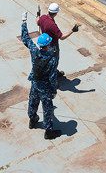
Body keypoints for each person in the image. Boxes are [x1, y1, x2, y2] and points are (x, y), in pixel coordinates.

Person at [22, 12, 61, 140]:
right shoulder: (52, 59)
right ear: (48, 44)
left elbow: (26, 38)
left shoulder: (34, 51)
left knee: (33, 102)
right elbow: (52, 77)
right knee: (47, 108)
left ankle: (32, 120)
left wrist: (24, 21)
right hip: (45, 87)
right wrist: (54, 90)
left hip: (35, 83)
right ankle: (48, 131)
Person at [36, 3, 78, 77]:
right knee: (54, 61)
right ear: (56, 13)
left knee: (46, 60)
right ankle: (53, 74)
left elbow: (37, 21)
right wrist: (72, 30)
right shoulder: (52, 25)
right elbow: (62, 37)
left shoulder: (42, 17)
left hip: (44, 45)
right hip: (52, 46)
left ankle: (51, 72)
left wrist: (38, 15)